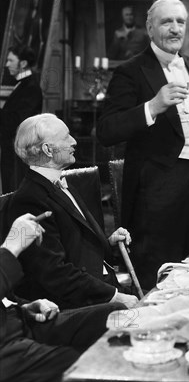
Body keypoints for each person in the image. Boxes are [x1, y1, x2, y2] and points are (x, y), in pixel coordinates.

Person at [97, 0, 189, 290]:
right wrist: (152, 105)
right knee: (158, 275)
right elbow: (107, 130)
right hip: (155, 193)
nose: (175, 29)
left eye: (180, 22)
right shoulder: (131, 71)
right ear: (150, 28)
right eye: (166, 22)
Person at [6, 114, 138, 310]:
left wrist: (108, 244)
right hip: (78, 304)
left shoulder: (62, 184)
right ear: (48, 150)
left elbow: (73, 244)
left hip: (101, 287)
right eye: (66, 137)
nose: (74, 141)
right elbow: (53, 272)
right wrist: (114, 297)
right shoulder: (30, 199)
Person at [0, 214, 125, 382]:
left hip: (16, 322)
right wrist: (12, 246)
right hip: (5, 347)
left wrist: (22, 307)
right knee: (77, 364)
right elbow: (52, 270)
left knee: (116, 315)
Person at [0, 45, 43, 192]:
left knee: (14, 191)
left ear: (23, 63)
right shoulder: (23, 84)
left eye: (11, 60)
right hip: (11, 152)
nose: (7, 64)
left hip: (18, 155)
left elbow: (18, 121)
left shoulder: (30, 87)